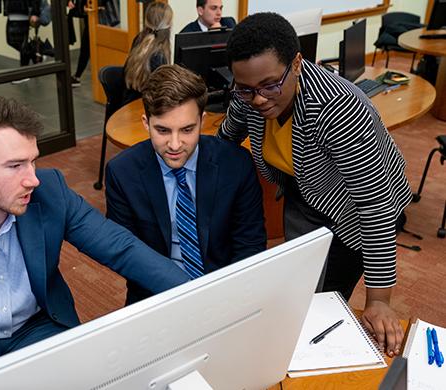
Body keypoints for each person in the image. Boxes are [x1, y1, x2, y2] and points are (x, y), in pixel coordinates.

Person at [0, 97, 190, 390]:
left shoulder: (50, 190)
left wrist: (196, 292)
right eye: (15, 166)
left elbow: (119, 247)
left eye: (33, 161)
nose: (32, 179)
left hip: (37, 327)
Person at [218, 13, 412, 357]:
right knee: (301, 288)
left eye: (268, 85)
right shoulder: (250, 90)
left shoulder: (339, 109)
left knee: (326, 301)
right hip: (305, 192)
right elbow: (225, 139)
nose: (259, 99)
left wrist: (380, 299)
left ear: (296, 63)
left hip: (356, 211)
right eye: (246, 89)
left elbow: (375, 204)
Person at [106, 64, 267, 305]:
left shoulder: (236, 163)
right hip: (154, 295)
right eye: (162, 130)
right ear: (145, 123)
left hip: (224, 289)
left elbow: (250, 244)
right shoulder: (122, 172)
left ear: (202, 121)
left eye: (187, 130)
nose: (174, 144)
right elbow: (127, 254)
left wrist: (226, 297)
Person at [122, 1, 172, 105]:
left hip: (129, 100)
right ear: (168, 25)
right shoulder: (159, 53)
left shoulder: (139, 39)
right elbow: (160, 91)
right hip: (144, 106)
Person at [0, 0, 41, 67]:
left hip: (22, 9)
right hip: (11, 11)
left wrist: (35, 12)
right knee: (14, 42)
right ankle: (33, 55)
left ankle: (25, 70)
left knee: (22, 45)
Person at [67, 0, 89, 87]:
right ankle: (77, 76)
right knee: (85, 50)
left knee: (85, 50)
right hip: (91, 19)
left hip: (100, 20)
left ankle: (77, 76)